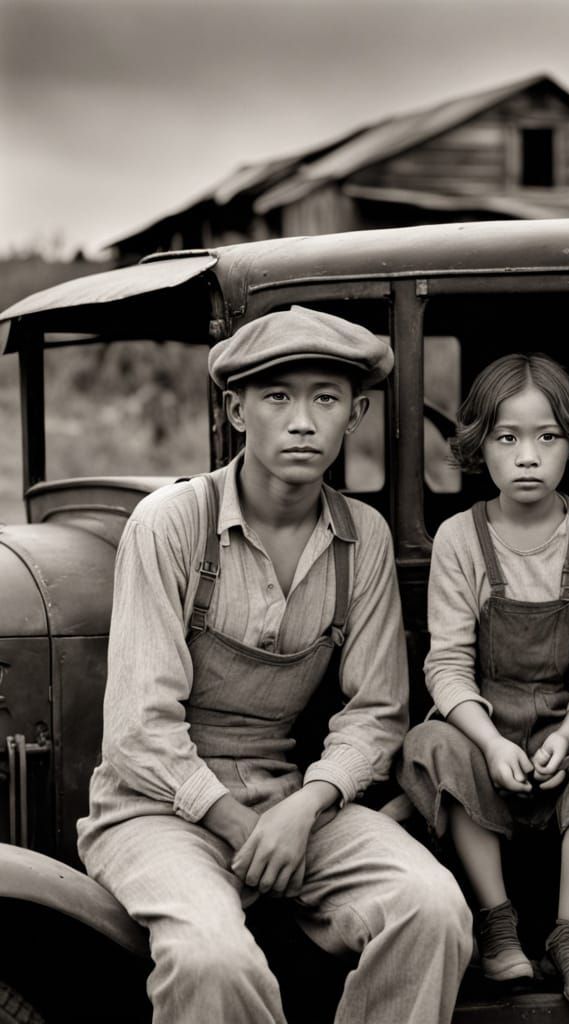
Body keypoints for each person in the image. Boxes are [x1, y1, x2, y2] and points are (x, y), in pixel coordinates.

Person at [77, 306, 472, 1024]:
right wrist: (238, 823)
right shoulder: (172, 524)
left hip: (291, 799)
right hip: (152, 809)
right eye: (277, 397)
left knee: (433, 908)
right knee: (212, 961)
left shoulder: (363, 539)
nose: (302, 422)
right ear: (237, 411)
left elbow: (376, 713)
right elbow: (138, 729)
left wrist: (305, 805)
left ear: (354, 415)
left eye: (325, 399)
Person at [400, 354, 569, 1006]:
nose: (528, 457)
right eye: (508, 438)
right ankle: (498, 925)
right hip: (484, 736)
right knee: (431, 744)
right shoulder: (460, 537)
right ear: (480, 445)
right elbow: (447, 666)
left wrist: (566, 738)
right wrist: (490, 744)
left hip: (564, 736)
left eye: (548, 437)